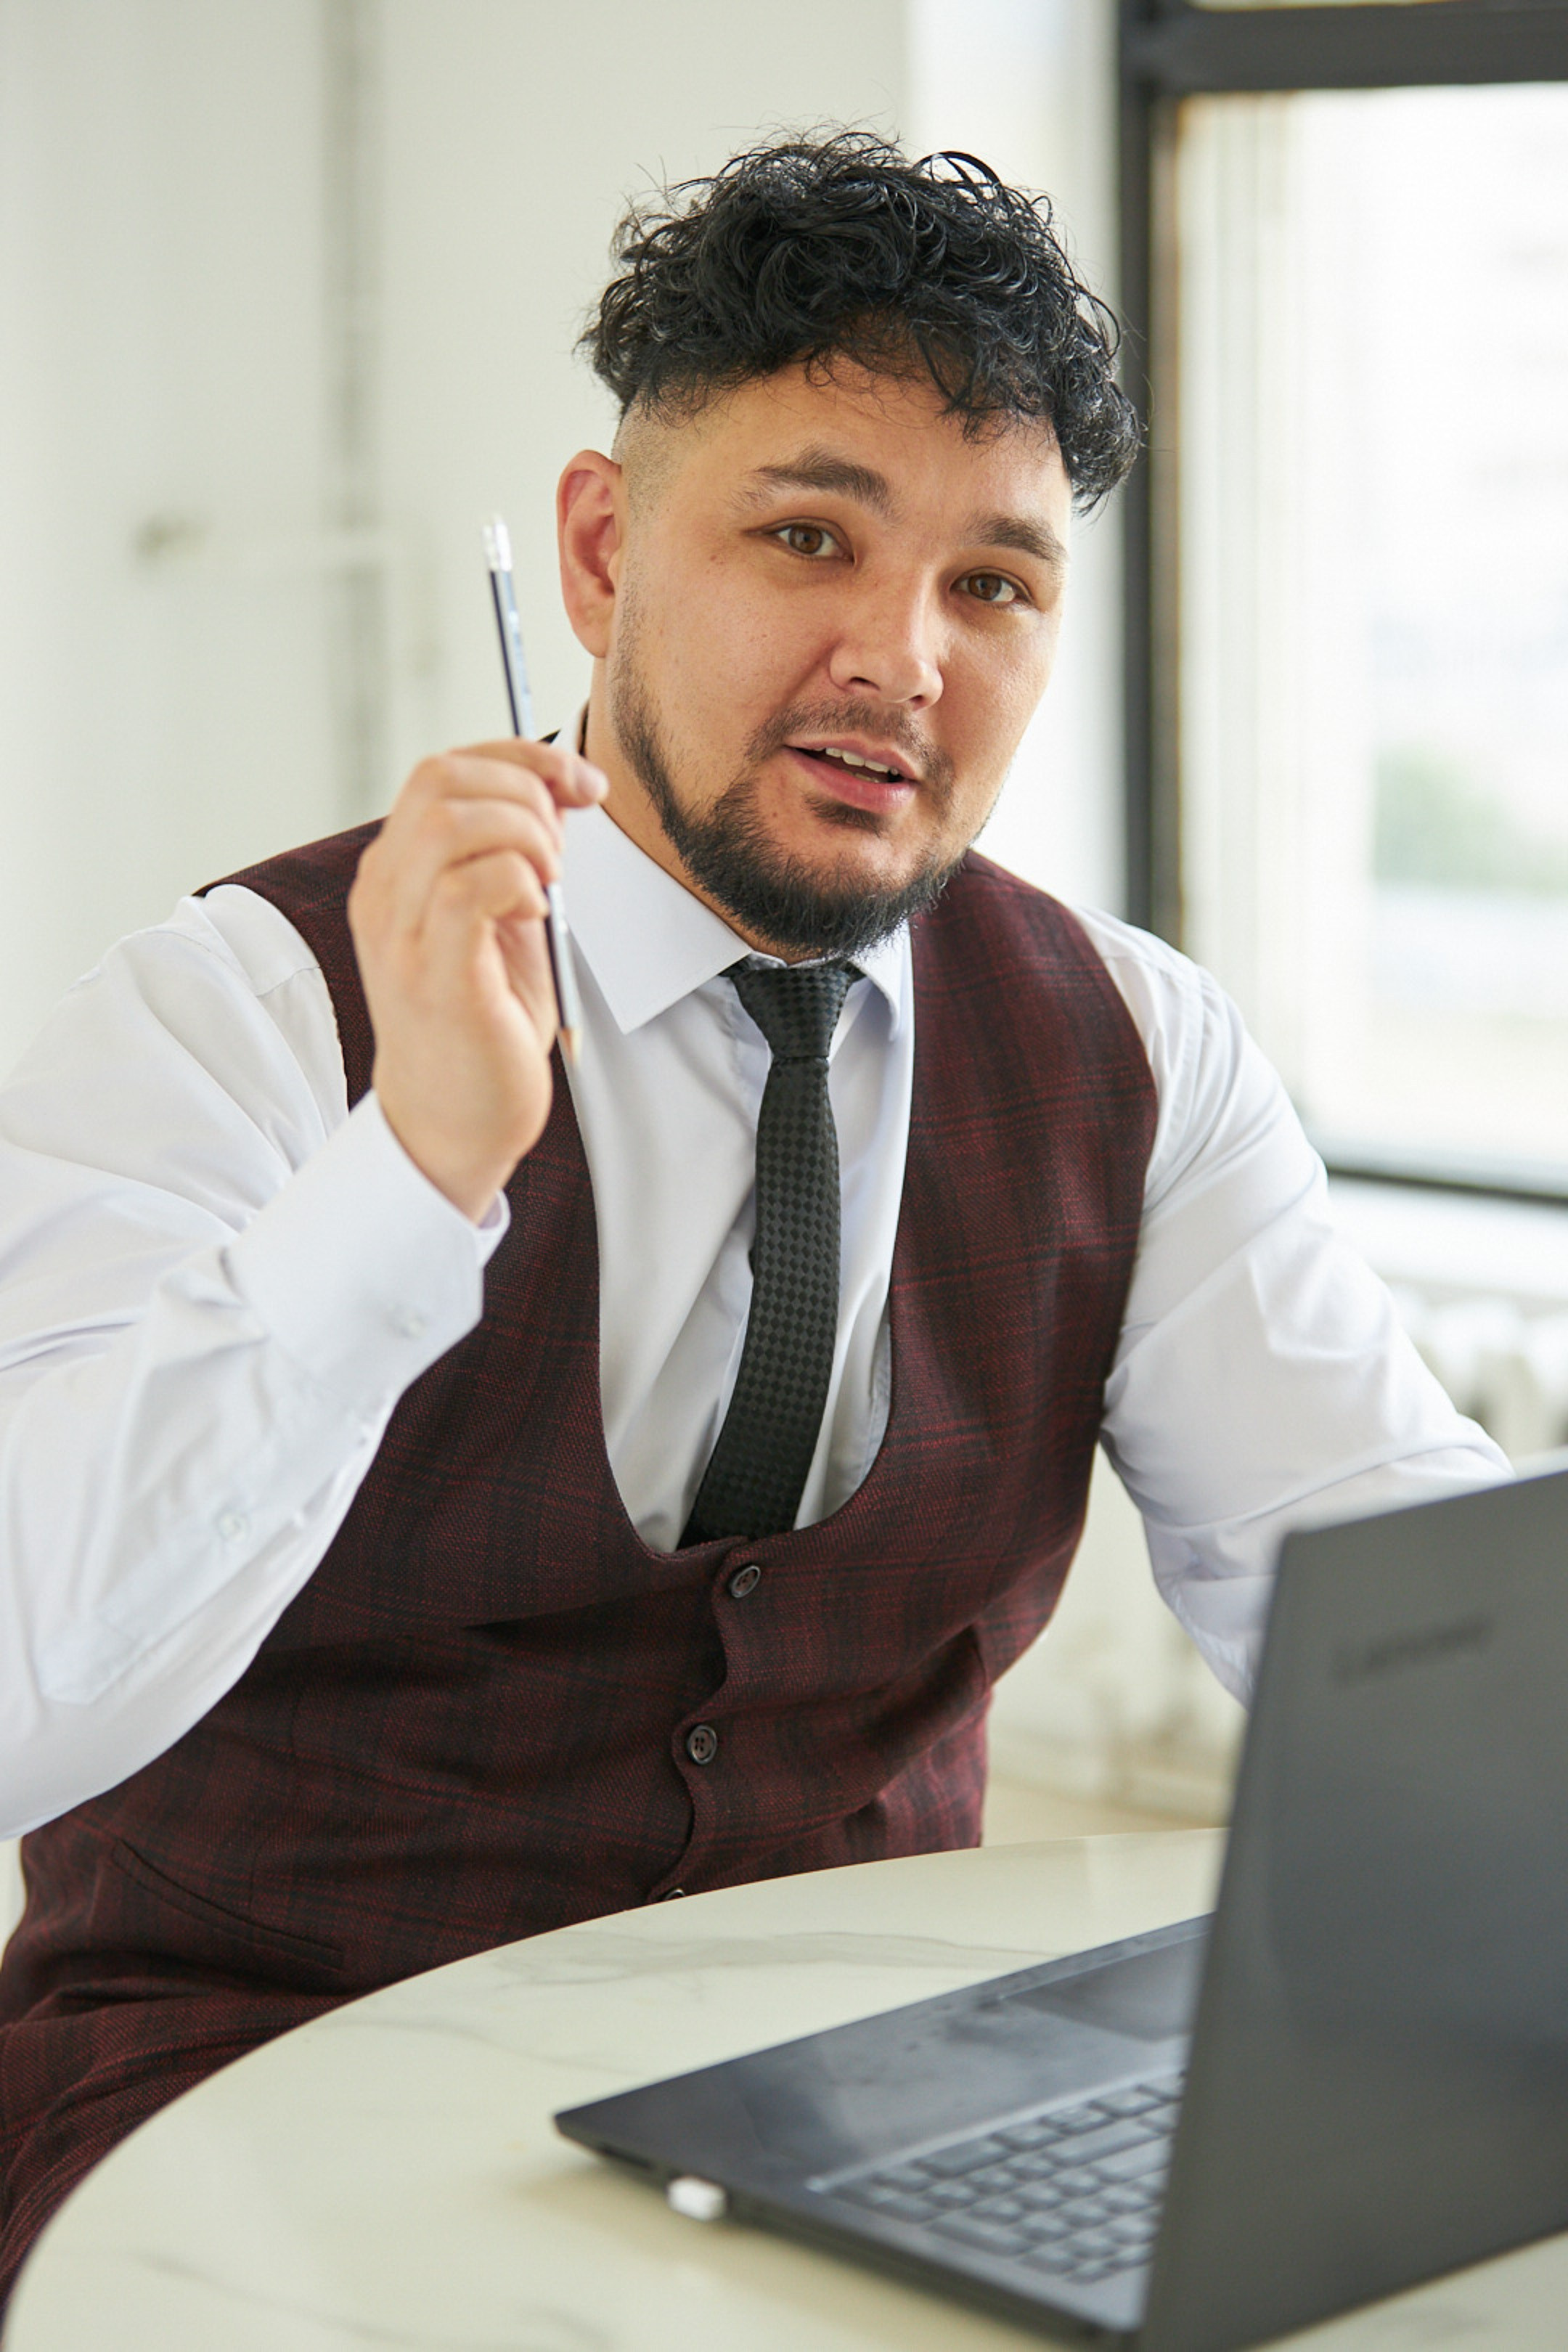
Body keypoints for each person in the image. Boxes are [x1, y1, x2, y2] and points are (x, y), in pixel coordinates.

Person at [0, 132, 1502, 2298]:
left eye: (994, 585)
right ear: (602, 555)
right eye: (810, 536)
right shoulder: (233, 1014)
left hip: (851, 2108)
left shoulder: (1132, 1050)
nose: (903, 659)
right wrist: (411, 1173)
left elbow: (1398, 1597)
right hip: (232, 2108)